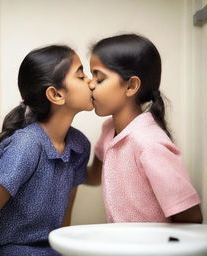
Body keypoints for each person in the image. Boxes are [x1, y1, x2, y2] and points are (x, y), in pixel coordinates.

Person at [0, 45, 93, 256]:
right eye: (81, 76)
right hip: (4, 249)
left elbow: (65, 215)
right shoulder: (27, 145)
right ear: (56, 94)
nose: (90, 81)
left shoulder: (79, 146)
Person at [87, 34, 203, 223]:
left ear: (131, 86)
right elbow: (93, 176)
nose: (90, 84)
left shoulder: (149, 143)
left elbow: (191, 217)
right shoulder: (108, 129)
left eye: (99, 79)